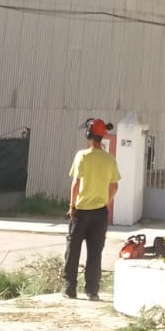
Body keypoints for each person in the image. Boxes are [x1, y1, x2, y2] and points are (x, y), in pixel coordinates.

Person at [63, 117, 121, 300]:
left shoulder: (82, 156)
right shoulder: (110, 160)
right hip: (100, 214)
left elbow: (75, 184)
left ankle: (69, 290)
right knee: (95, 253)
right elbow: (114, 186)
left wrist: (72, 206)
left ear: (88, 134)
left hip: (80, 212)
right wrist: (106, 204)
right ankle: (92, 291)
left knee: (73, 251)